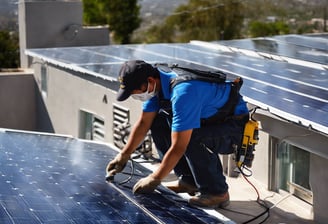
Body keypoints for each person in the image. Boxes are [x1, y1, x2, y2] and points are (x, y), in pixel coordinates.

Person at [106, 60, 249, 208]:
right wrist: (124, 154)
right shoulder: (157, 85)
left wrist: (155, 178)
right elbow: (144, 123)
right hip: (206, 121)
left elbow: (179, 146)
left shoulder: (183, 92)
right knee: (158, 121)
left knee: (193, 138)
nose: (134, 95)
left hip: (232, 127)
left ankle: (217, 193)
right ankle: (188, 181)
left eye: (134, 91)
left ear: (150, 81)